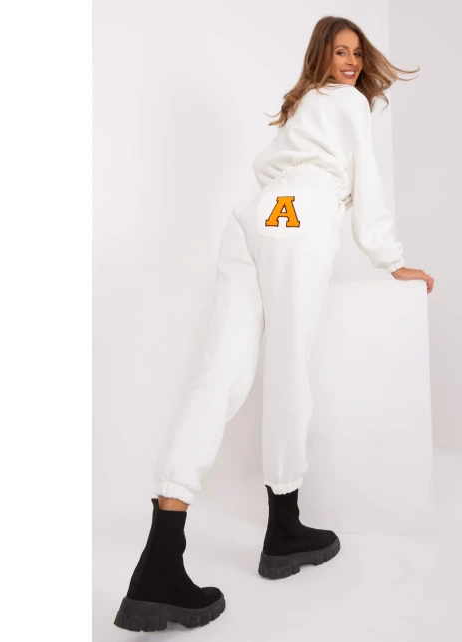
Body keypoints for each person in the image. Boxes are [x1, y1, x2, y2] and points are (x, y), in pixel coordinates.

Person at [113, 16, 434, 632]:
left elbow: (269, 172)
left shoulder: (302, 105)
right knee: (288, 366)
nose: (351, 63)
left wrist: (286, 209)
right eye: (340, 52)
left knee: (220, 374)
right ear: (322, 56)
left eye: (357, 54)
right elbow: (367, 184)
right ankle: (283, 529)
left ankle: (158, 561)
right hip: (297, 215)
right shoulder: (347, 105)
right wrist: (390, 260)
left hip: (254, 216)